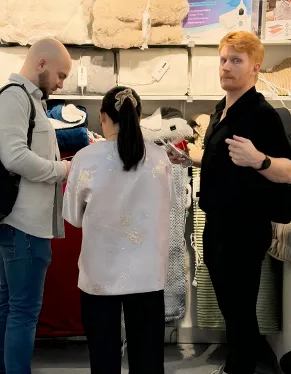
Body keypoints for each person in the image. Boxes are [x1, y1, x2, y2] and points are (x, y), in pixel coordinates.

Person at [172, 31, 291, 374]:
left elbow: (289, 171)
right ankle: (237, 365)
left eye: (236, 60)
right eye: (224, 59)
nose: (226, 67)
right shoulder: (221, 111)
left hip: (245, 227)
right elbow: (224, 160)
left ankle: (238, 369)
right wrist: (190, 158)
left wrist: (260, 160)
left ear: (255, 68)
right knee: (231, 307)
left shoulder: (261, 114)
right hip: (217, 223)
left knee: (239, 308)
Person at [63, 86, 175, 374]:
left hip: (100, 273)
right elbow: (168, 205)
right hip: (147, 273)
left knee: (103, 360)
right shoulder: (159, 157)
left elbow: (73, 217)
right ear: (139, 117)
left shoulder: (85, 157)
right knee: (148, 363)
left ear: (102, 116)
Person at [0, 38, 73, 374]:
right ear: (41, 64)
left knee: (11, 305)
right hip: (24, 225)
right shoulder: (14, 97)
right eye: (60, 75)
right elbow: (15, 157)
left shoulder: (28, 100)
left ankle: (1, 371)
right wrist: (62, 170)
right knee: (23, 310)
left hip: (21, 223)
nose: (61, 84)